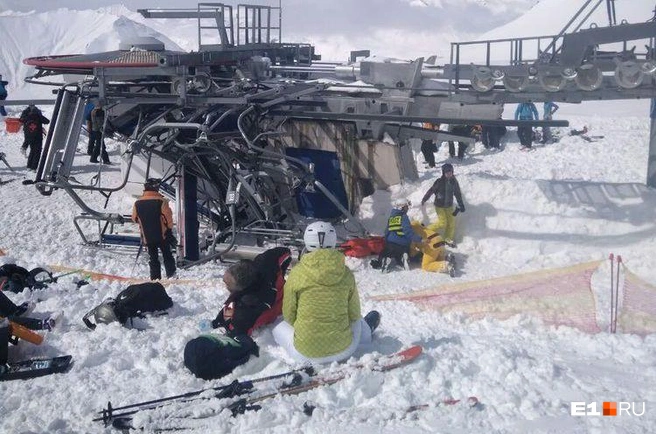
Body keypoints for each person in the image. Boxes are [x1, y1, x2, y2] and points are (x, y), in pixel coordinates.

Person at [272, 221, 380, 364]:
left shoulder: (297, 273)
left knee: (278, 328)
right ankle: (367, 334)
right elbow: (354, 314)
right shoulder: (346, 273)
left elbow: (289, 315)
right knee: (358, 321)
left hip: (305, 354)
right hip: (344, 349)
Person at [210, 247, 292, 336]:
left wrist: (222, 324)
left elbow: (237, 333)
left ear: (242, 289)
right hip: (282, 291)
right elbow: (285, 252)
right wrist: (281, 271)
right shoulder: (265, 262)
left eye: (227, 284)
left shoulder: (246, 308)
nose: (225, 285)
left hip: (279, 307)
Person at [131, 178, 177, 280]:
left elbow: (134, 218)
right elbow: (168, 218)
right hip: (162, 235)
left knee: (153, 258)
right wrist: (169, 230)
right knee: (167, 255)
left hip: (148, 236)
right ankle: (171, 275)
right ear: (156, 188)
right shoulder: (161, 201)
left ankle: (155, 278)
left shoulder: (137, 203)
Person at [420, 163, 465, 247]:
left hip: (449, 205)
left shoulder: (454, 182)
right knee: (442, 223)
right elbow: (431, 190)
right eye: (447, 172)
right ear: (443, 173)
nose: (449, 174)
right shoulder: (439, 181)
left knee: (451, 223)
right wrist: (424, 199)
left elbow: (457, 193)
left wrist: (461, 204)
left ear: (452, 172)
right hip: (439, 205)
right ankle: (425, 231)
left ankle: (447, 239)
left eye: (450, 172)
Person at [380, 198, 422, 272]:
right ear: (401, 208)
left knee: (387, 253)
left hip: (390, 244)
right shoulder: (403, 217)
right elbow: (408, 232)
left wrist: (386, 242)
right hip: (403, 245)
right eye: (406, 207)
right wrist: (419, 239)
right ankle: (403, 258)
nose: (407, 208)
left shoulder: (391, 217)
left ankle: (386, 260)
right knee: (401, 253)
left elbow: (387, 231)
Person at [19, 105, 50, 171]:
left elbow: (21, 120)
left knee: (32, 150)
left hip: (29, 136)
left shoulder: (25, 115)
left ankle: (29, 166)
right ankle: (34, 167)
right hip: (38, 136)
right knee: (37, 151)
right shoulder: (38, 115)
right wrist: (39, 117)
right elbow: (47, 121)